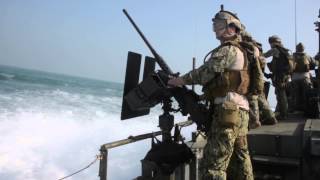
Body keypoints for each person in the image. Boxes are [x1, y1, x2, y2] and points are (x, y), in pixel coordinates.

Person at [168, 8, 253, 180]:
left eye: (219, 25)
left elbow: (206, 72)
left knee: (213, 165)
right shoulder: (242, 50)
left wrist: (179, 81)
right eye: (215, 25)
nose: (216, 29)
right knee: (240, 160)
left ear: (232, 28)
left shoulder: (228, 49)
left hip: (228, 112)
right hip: (240, 110)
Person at [264, 35, 291, 119]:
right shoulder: (286, 51)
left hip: (280, 76)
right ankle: (283, 113)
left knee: (280, 95)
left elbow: (264, 55)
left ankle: (284, 114)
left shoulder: (275, 50)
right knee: (282, 94)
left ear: (273, 43)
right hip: (286, 76)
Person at [290, 42, 316, 111]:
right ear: (303, 49)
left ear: (296, 49)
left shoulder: (292, 56)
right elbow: (314, 64)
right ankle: (306, 108)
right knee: (306, 93)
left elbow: (289, 66)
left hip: (294, 78)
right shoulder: (307, 56)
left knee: (295, 94)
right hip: (305, 77)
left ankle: (295, 108)